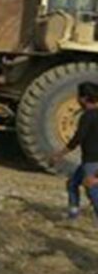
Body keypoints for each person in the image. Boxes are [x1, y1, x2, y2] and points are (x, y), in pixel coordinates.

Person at [50, 82, 98, 219]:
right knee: (72, 183)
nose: (77, 99)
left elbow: (77, 139)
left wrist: (59, 154)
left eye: (78, 96)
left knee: (93, 191)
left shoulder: (88, 116)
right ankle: (73, 214)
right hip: (87, 162)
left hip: (92, 162)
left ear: (84, 98)